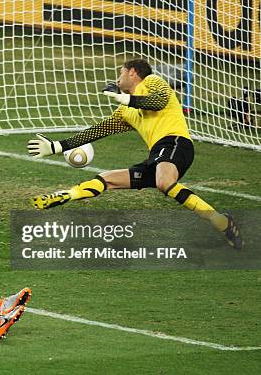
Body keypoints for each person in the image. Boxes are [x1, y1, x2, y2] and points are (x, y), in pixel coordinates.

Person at [27, 58, 242, 249]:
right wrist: (57, 146)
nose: (118, 78)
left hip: (176, 143)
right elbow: (97, 131)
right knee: (108, 179)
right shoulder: (125, 112)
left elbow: (158, 102)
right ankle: (67, 195)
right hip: (158, 155)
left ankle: (216, 220)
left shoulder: (152, 82)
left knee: (163, 182)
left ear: (132, 72)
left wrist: (126, 99)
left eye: (120, 72)